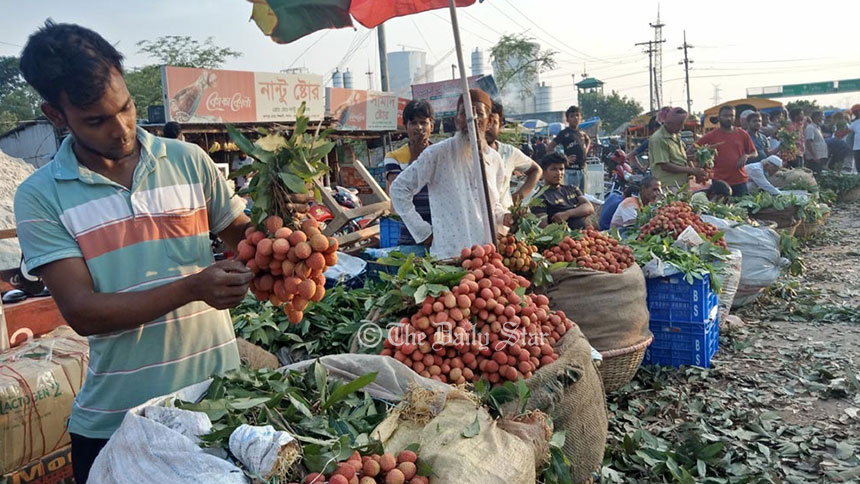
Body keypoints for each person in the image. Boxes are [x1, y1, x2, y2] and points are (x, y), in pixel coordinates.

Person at [14, 22, 257, 483]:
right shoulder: (40, 195)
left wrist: (283, 231)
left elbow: (248, 242)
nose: (122, 129)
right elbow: (84, 312)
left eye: (125, 108)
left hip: (219, 406)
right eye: (97, 120)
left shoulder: (189, 161)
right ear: (55, 114)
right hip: (118, 425)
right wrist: (193, 287)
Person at [390, 89, 509, 259]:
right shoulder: (437, 153)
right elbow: (399, 189)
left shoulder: (495, 160)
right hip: (448, 255)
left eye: (478, 114)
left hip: (486, 254)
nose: (471, 120)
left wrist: (504, 217)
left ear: (489, 121)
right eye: (465, 114)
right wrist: (423, 232)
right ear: (456, 120)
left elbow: (494, 204)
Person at [384, 100, 434, 246]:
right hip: (410, 233)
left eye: (423, 123)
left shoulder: (440, 153)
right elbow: (398, 190)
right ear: (406, 127)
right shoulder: (394, 157)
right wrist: (417, 154)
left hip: (441, 230)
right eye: (413, 123)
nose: (419, 127)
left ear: (432, 126)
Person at [486, 101, 542, 209]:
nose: (488, 127)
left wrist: (516, 198)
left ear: (501, 125)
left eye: (493, 122)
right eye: (485, 121)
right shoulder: (466, 153)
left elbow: (536, 170)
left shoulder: (508, 152)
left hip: (503, 219)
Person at [697, 105, 757, 197]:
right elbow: (694, 149)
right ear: (719, 117)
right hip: (719, 181)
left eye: (731, 115)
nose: (728, 118)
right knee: (722, 209)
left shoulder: (742, 134)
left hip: (739, 180)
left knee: (743, 209)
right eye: (725, 115)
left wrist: (746, 156)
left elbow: (754, 153)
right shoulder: (711, 135)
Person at [648, 107, 706, 190]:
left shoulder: (676, 136)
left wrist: (694, 160)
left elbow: (679, 159)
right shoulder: (659, 138)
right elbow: (665, 165)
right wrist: (692, 170)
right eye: (680, 124)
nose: (682, 127)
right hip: (668, 186)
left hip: (682, 184)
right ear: (669, 123)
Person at [532, 152, 594, 230]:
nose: (559, 173)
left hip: (586, 237)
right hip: (564, 239)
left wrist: (567, 214)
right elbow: (543, 228)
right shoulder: (539, 197)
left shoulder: (572, 189)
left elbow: (589, 207)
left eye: (561, 169)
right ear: (543, 172)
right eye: (553, 169)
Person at [547, 106, 591, 191]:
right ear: (567, 119)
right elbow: (549, 148)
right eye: (572, 116)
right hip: (571, 171)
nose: (575, 118)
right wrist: (563, 159)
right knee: (571, 197)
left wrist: (585, 151)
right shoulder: (564, 133)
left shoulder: (581, 132)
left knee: (581, 197)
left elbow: (588, 140)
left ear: (581, 118)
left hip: (581, 171)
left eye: (578, 115)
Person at [849, 104, 860, 172]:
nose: (857, 113)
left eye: (858, 111)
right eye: (855, 112)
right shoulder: (854, 123)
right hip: (857, 148)